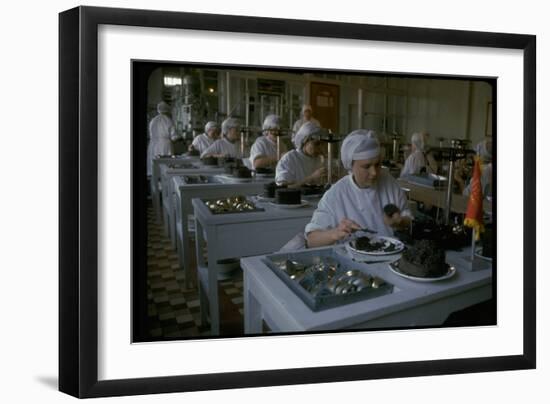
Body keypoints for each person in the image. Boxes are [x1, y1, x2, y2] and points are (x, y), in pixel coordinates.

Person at [306, 130, 412, 248]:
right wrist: (335, 233)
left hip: (389, 255)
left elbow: (407, 217)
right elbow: (312, 240)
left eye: (377, 165)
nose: (374, 173)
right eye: (366, 166)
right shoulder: (336, 194)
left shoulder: (389, 183)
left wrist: (400, 222)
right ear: (351, 165)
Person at [275, 121, 326, 187]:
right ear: (304, 141)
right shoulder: (289, 159)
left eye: (322, 144)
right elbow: (284, 188)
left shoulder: (318, 159)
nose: (320, 148)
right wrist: (311, 178)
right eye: (317, 144)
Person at [147, 101, 180, 176]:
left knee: (155, 166)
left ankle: (155, 184)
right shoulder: (168, 120)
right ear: (167, 110)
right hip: (165, 145)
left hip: (153, 144)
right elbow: (174, 136)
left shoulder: (153, 120)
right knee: (166, 166)